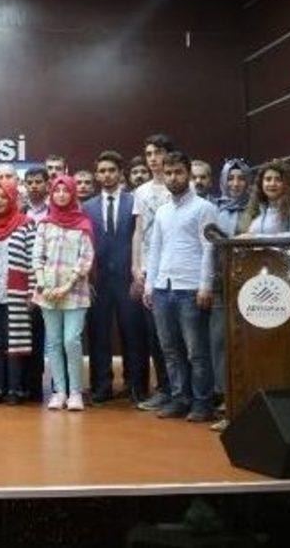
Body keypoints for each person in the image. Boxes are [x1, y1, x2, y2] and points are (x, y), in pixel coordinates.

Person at [143, 151, 217, 422]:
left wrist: (205, 285)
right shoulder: (163, 211)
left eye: (178, 172)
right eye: (168, 173)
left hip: (191, 289)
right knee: (171, 350)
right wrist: (150, 285)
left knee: (197, 352)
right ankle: (179, 399)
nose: (173, 178)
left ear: (188, 174)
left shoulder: (204, 208)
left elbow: (210, 249)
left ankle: (202, 403)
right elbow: (155, 249)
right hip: (163, 288)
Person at [83, 151, 148, 404]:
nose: (107, 175)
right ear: (97, 175)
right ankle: (101, 386)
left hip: (127, 277)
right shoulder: (87, 207)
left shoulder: (135, 202)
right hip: (98, 280)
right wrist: (87, 279)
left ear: (121, 173)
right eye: (102, 171)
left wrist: (138, 273)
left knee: (133, 333)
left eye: (112, 170)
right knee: (98, 334)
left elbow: (141, 239)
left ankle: (136, 386)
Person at [32, 175, 95, 411]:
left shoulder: (83, 223)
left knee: (71, 340)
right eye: (57, 191)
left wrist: (66, 287)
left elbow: (86, 258)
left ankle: (75, 392)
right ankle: (59, 392)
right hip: (47, 292)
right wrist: (44, 285)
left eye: (65, 191)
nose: (61, 195)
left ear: (72, 194)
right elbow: (37, 256)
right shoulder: (44, 224)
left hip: (75, 292)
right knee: (54, 342)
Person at [0, 180, 37, 404]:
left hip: (17, 294)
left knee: (15, 342)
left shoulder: (26, 224)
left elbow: (32, 260)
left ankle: (14, 389)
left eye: (4, 197)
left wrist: (32, 290)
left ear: (13, 199)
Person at [131, 134, 174, 411]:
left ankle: (183, 391)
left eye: (158, 153)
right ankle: (164, 389)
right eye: (149, 154)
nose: (153, 159)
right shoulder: (141, 192)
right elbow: (138, 232)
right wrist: (136, 266)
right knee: (156, 335)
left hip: (175, 269)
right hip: (149, 271)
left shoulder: (180, 187)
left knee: (177, 336)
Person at [209, 158, 251, 420]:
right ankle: (224, 394)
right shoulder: (213, 208)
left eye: (241, 178)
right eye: (231, 178)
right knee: (219, 339)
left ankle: (247, 392)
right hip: (219, 283)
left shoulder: (257, 208)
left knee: (246, 338)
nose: (236, 184)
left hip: (249, 282)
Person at [239, 159, 290, 238]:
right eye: (268, 179)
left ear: (287, 184)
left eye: (278, 179)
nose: (272, 184)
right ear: (261, 184)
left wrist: (257, 237)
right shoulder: (256, 207)